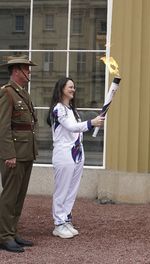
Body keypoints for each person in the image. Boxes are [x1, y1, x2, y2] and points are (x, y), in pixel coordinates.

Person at [47, 77, 104, 239]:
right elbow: (71, 127)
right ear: (62, 89)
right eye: (70, 87)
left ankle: (66, 219)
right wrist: (92, 123)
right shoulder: (58, 109)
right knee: (62, 190)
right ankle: (58, 224)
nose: (73, 89)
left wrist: (94, 122)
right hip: (64, 154)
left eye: (74, 87)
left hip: (77, 153)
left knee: (71, 190)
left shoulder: (72, 109)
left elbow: (77, 130)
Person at [0, 55, 38, 253]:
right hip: (14, 153)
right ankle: (4, 236)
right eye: (26, 68)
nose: (29, 72)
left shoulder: (23, 93)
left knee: (19, 196)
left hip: (26, 152)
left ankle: (12, 232)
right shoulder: (7, 93)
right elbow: (3, 127)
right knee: (9, 196)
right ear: (16, 71)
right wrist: (8, 154)